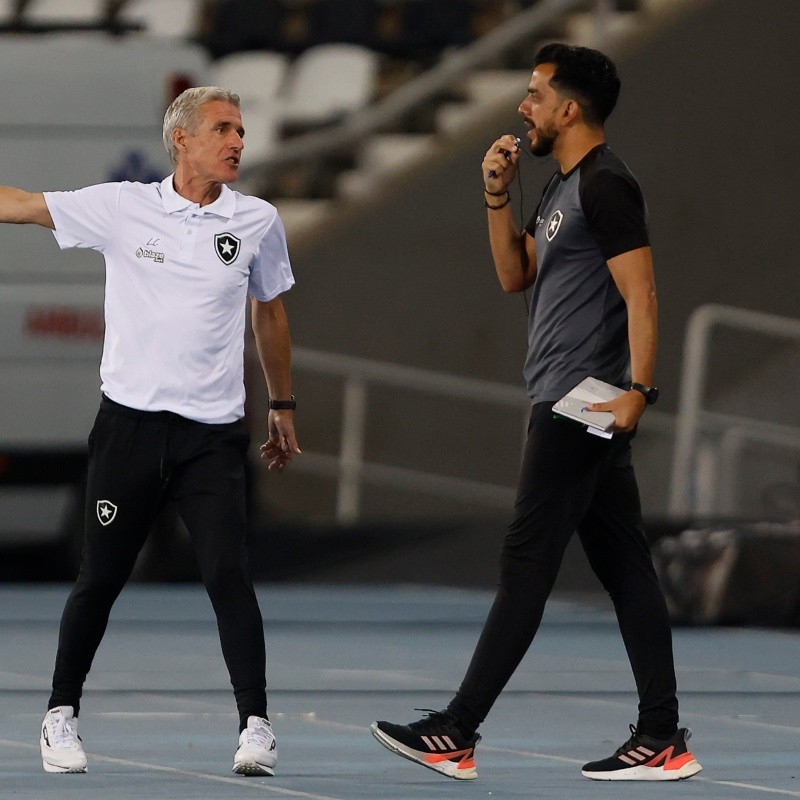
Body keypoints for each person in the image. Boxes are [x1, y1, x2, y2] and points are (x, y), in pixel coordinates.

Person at [371, 43, 702, 782]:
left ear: (569, 107)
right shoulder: (562, 187)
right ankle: (662, 737)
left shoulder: (609, 184)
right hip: (566, 400)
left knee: (527, 562)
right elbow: (514, 274)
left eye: (534, 94)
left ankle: (457, 729)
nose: (524, 107)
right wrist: (496, 194)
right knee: (626, 570)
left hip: (580, 407)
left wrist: (639, 393)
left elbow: (642, 292)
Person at [0, 86, 301, 776]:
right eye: (223, 129)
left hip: (212, 440)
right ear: (183, 139)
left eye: (241, 130)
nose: (238, 142)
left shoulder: (256, 220)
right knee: (100, 577)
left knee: (229, 574)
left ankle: (256, 726)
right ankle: (59, 716)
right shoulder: (123, 207)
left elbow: (271, 315)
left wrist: (282, 407)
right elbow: (19, 205)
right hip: (130, 430)